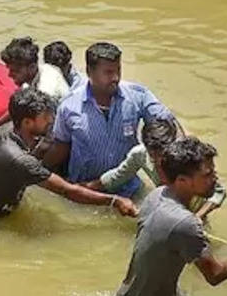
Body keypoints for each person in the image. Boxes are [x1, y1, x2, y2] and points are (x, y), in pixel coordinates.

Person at [107, 137, 227, 296]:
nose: (214, 178)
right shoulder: (185, 224)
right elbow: (215, 275)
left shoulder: (157, 195)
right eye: (207, 174)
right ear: (182, 181)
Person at [0, 89, 138, 223]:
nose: (51, 120)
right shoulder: (21, 161)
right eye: (45, 117)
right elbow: (68, 191)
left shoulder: (5, 139)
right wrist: (115, 200)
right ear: (27, 122)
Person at [45, 42, 176, 196]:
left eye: (118, 70)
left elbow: (168, 124)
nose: (115, 77)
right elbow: (61, 147)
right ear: (89, 72)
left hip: (128, 189)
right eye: (108, 72)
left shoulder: (137, 96)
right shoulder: (69, 106)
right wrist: (39, 170)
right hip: (86, 190)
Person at [86, 119, 227, 220]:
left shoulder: (188, 159)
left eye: (163, 155)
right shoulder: (140, 154)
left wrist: (197, 218)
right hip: (170, 209)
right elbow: (117, 176)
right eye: (154, 156)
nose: (160, 162)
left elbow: (219, 192)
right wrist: (85, 188)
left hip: (195, 212)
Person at [0, 36, 70, 130]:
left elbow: (44, 130)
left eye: (15, 71)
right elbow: (18, 105)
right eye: (9, 69)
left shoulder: (46, 91)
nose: (9, 75)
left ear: (31, 67)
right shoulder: (38, 71)